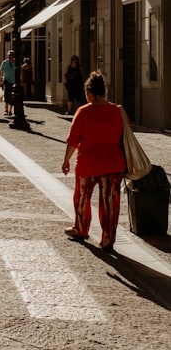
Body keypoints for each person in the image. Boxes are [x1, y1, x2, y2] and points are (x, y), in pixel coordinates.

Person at [61, 72, 125, 251]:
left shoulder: (83, 111)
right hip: (113, 164)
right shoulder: (117, 111)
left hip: (88, 163)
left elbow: (73, 141)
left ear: (89, 92)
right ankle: (108, 239)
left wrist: (66, 161)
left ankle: (81, 229)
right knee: (110, 203)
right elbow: (124, 137)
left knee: (82, 197)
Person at [0, 50, 16, 117]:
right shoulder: (4, 62)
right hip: (7, 81)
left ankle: (10, 110)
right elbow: (0, 72)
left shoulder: (15, 63)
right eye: (9, 55)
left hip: (14, 82)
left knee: (12, 96)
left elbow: (20, 71)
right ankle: (6, 109)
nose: (10, 57)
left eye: (11, 55)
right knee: (7, 95)